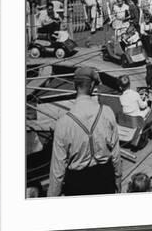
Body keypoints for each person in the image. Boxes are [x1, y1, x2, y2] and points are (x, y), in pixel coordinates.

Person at [48, 67, 122, 196]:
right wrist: (118, 180)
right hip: (105, 179)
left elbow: (57, 171)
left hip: (77, 184)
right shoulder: (107, 112)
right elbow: (116, 154)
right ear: (93, 85)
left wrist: (52, 196)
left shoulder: (63, 122)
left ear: (75, 86)